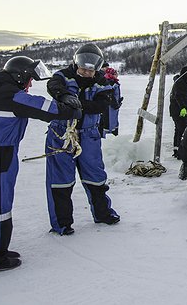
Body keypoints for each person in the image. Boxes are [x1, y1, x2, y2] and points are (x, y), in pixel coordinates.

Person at [0, 56, 81, 272]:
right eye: (29, 80)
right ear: (20, 76)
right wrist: (71, 107)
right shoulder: (11, 96)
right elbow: (46, 108)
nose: (29, 85)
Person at [44, 43, 121, 236]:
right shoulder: (62, 76)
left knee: (95, 176)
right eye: (83, 69)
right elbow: (52, 86)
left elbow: (100, 105)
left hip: (89, 134)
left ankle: (103, 213)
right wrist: (63, 95)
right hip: (61, 134)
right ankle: (62, 223)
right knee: (60, 180)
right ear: (76, 63)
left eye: (90, 70)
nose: (86, 73)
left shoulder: (103, 82)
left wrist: (77, 104)